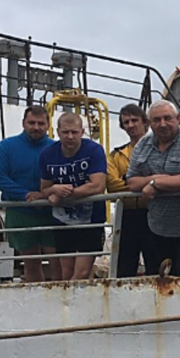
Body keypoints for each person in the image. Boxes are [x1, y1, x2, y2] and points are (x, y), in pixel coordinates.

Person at [127, 100, 180, 276]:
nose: (162, 124)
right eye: (157, 120)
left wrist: (155, 185)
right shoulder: (143, 145)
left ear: (178, 119)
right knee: (160, 279)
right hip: (157, 228)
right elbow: (132, 182)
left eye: (168, 118)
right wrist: (155, 179)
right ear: (150, 123)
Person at [0, 106, 58, 282]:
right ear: (23, 123)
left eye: (41, 123)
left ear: (48, 125)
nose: (36, 127)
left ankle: (60, 304)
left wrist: (45, 195)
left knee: (57, 262)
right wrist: (26, 194)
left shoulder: (56, 148)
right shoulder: (6, 147)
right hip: (20, 212)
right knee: (31, 264)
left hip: (53, 213)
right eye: (31, 123)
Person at [38, 112, 108, 281]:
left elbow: (98, 185)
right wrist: (54, 189)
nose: (70, 137)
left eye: (74, 132)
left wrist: (63, 194)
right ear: (57, 132)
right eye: (65, 132)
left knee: (82, 272)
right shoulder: (47, 155)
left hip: (90, 220)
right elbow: (44, 190)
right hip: (63, 223)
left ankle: (76, 304)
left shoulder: (94, 150)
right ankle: (70, 304)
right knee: (66, 272)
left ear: (82, 132)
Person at [107, 104, 150, 277]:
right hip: (127, 214)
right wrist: (146, 183)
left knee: (156, 261)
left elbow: (165, 174)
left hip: (154, 212)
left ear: (144, 122)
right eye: (126, 122)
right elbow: (111, 185)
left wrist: (130, 181)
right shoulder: (117, 155)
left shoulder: (158, 149)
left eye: (134, 120)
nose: (131, 125)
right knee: (125, 266)